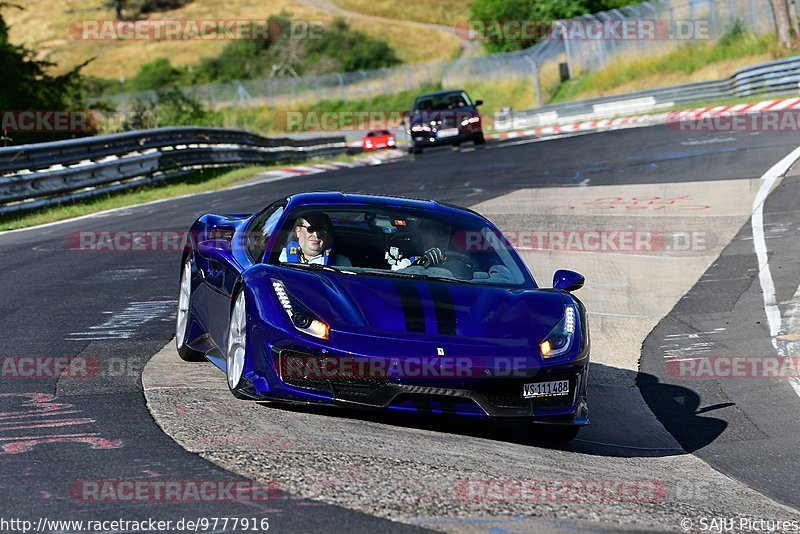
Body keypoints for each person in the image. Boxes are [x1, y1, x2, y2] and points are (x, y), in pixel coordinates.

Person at [279, 212, 352, 266]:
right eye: (311, 229)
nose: (316, 235)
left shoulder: (341, 264)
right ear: (298, 231)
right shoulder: (280, 258)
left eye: (321, 230)